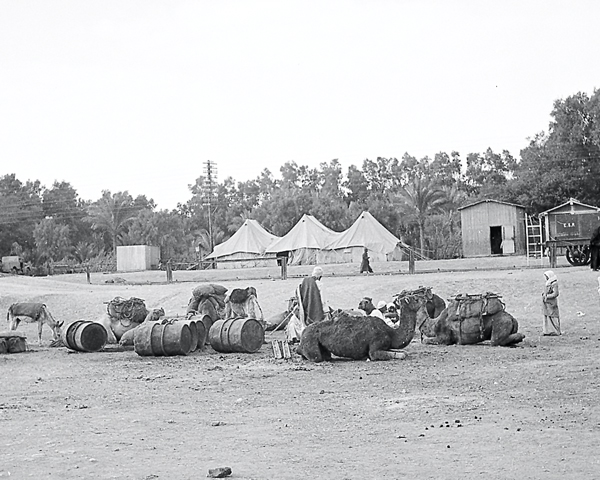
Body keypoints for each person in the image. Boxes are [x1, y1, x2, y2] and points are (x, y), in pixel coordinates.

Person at [286, 266, 328, 343]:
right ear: (320, 276)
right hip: (315, 311)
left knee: (293, 321)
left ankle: (294, 337)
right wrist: (326, 311)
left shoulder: (303, 282)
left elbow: (298, 297)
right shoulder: (320, 285)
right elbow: (323, 300)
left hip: (303, 309)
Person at [542, 270, 561, 336]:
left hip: (551, 303)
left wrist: (547, 296)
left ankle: (555, 330)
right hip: (547, 303)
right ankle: (548, 331)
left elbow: (556, 293)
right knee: (547, 316)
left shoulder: (554, 284)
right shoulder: (548, 283)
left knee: (553, 316)